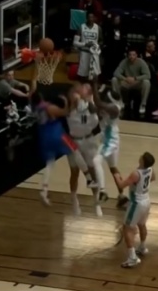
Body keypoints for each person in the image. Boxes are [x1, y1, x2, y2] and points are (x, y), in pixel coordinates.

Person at [31, 90, 98, 208]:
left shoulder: (36, 109)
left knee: (50, 163)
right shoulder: (48, 107)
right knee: (74, 149)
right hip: (57, 134)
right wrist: (66, 102)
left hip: (44, 137)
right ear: (41, 97)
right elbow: (65, 112)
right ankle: (88, 179)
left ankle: (44, 189)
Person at [112, 151, 156, 268]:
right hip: (147, 200)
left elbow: (121, 185)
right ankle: (142, 247)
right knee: (142, 224)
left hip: (137, 203)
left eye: (141, 156)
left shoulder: (136, 174)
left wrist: (116, 175)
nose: (140, 156)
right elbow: (153, 178)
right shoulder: (151, 170)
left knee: (127, 228)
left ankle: (132, 257)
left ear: (142, 161)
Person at [66, 83, 103, 216]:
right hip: (73, 141)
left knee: (92, 171)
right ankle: (74, 199)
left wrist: (90, 100)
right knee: (74, 172)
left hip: (88, 140)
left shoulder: (90, 105)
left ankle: (97, 201)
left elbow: (96, 116)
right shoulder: (70, 105)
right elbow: (73, 97)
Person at [91, 81, 129, 209]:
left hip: (110, 140)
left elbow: (98, 103)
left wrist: (94, 83)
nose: (105, 99)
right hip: (111, 139)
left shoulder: (114, 109)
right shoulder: (108, 107)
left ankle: (103, 191)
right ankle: (122, 196)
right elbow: (96, 107)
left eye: (107, 98)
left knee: (96, 161)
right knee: (113, 168)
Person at [73, 12, 102, 82]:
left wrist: (97, 46)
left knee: (95, 75)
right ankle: (83, 87)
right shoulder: (81, 27)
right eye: (89, 17)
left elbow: (101, 41)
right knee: (83, 76)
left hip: (94, 54)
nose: (90, 19)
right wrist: (85, 44)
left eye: (92, 17)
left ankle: (94, 89)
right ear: (86, 18)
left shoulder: (98, 28)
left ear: (94, 18)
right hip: (84, 53)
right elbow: (75, 43)